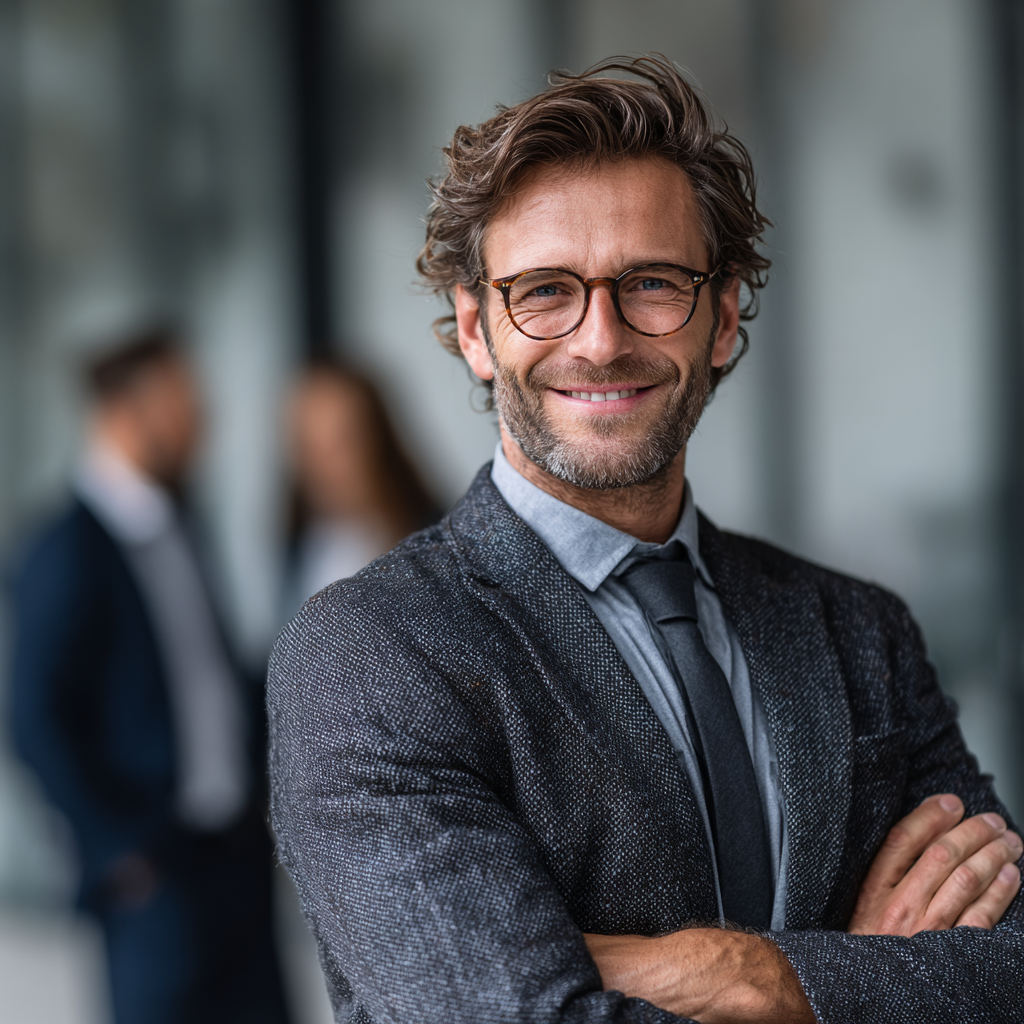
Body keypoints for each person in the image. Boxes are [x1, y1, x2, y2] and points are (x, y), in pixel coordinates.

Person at [267, 57, 1024, 1023]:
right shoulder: (371, 652)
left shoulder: (858, 628)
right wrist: (845, 981)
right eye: (544, 291)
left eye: (653, 283)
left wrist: (751, 976)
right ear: (474, 329)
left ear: (721, 314)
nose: (599, 339)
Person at [10, 328, 291, 1024]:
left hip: (233, 857)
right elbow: (34, 717)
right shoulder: (66, 547)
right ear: (122, 411)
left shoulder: (182, 523)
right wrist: (120, 852)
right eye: (181, 403)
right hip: (155, 875)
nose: (201, 422)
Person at [285, 362, 438, 607]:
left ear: (378, 439)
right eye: (308, 446)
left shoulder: (433, 550)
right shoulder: (292, 546)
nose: (322, 465)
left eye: (341, 443)